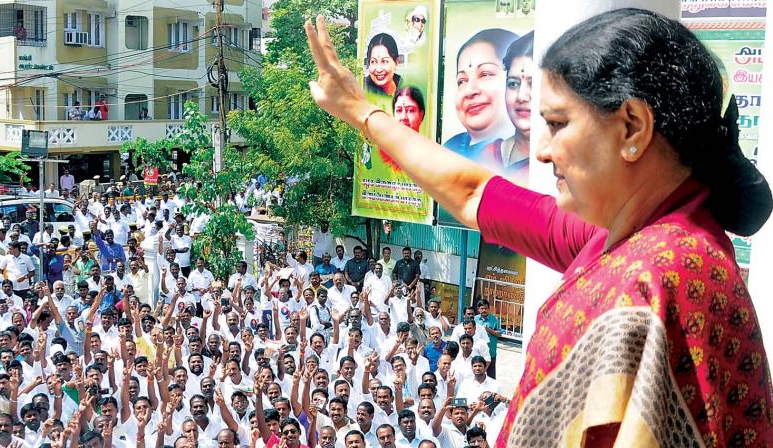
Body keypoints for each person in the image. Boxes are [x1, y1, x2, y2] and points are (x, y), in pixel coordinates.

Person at [304, 8, 773, 447]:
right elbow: (472, 192)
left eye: (558, 123)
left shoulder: (651, 279)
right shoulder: (629, 240)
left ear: (632, 127)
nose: (543, 151)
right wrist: (361, 111)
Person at [442, 29, 517, 169]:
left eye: (485, 74)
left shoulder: (525, 156)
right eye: (462, 81)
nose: (469, 91)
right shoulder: (450, 147)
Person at [499, 31, 534, 179]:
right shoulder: (487, 153)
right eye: (513, 84)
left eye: (533, 84)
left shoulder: (567, 165)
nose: (521, 96)